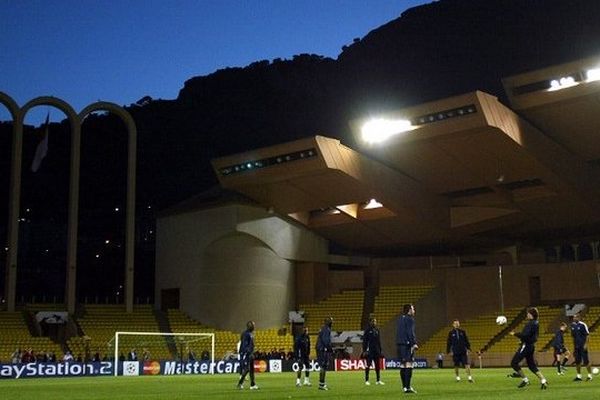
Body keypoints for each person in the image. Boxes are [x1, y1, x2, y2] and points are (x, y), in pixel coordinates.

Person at [509, 307, 548, 389]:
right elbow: (531, 336)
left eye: (528, 313)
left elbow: (525, 335)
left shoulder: (530, 324)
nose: (527, 315)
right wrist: (522, 340)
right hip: (531, 346)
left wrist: (515, 334)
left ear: (531, 314)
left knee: (514, 363)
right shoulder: (536, 323)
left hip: (526, 346)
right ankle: (543, 380)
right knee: (531, 365)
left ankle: (525, 380)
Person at [396, 304, 418, 394]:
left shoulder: (400, 318)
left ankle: (404, 387)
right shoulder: (410, 319)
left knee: (402, 365)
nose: (414, 311)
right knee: (409, 365)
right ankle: (408, 387)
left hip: (399, 344)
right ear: (409, 310)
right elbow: (410, 332)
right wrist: (414, 343)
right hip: (407, 345)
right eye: (413, 309)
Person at [571, 312, 593, 381]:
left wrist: (586, 344)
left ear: (578, 318)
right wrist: (573, 347)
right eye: (573, 317)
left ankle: (590, 376)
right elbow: (573, 337)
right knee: (577, 361)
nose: (574, 318)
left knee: (586, 361)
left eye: (575, 317)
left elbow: (588, 335)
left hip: (583, 346)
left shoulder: (583, 325)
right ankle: (579, 376)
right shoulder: (572, 325)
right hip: (576, 347)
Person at [362, 317, 384, 385]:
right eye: (373, 321)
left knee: (377, 366)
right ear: (370, 322)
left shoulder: (377, 330)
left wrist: (380, 350)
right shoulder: (367, 330)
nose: (374, 323)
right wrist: (364, 350)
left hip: (376, 351)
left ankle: (378, 380)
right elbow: (365, 341)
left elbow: (379, 341)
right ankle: (367, 380)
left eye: (375, 321)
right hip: (369, 351)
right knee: (368, 365)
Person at [237, 321, 259, 390]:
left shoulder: (250, 334)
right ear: (250, 326)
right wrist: (248, 353)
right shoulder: (245, 334)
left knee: (251, 369)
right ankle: (240, 383)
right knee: (247, 369)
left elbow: (250, 344)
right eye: (253, 325)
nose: (254, 327)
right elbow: (244, 345)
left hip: (250, 353)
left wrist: (252, 351)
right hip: (247, 354)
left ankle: (252, 384)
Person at [316, 317, 333, 391]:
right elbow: (326, 340)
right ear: (326, 322)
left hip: (320, 348)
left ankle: (322, 384)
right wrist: (329, 349)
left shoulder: (323, 328)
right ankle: (321, 384)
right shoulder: (326, 329)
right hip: (322, 349)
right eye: (330, 321)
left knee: (323, 366)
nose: (331, 322)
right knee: (323, 366)